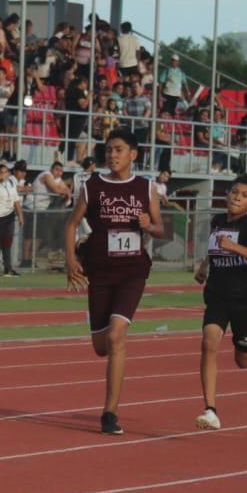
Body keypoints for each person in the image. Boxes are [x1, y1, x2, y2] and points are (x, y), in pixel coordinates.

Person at [64, 129, 165, 435]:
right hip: (100, 270)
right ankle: (99, 322)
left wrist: (150, 225)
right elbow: (71, 224)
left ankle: (109, 412)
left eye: (119, 149)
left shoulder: (146, 188)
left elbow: (161, 229)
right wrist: (70, 259)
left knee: (117, 335)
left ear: (133, 154)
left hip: (133, 270)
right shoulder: (92, 185)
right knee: (100, 347)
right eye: (108, 150)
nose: (112, 155)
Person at [194, 174, 247, 430]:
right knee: (209, 343)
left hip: (244, 296)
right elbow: (215, 248)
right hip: (217, 293)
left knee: (242, 360)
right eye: (233, 192)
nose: (236, 197)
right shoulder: (218, 221)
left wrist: (235, 247)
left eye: (243, 195)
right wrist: (204, 266)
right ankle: (210, 410)